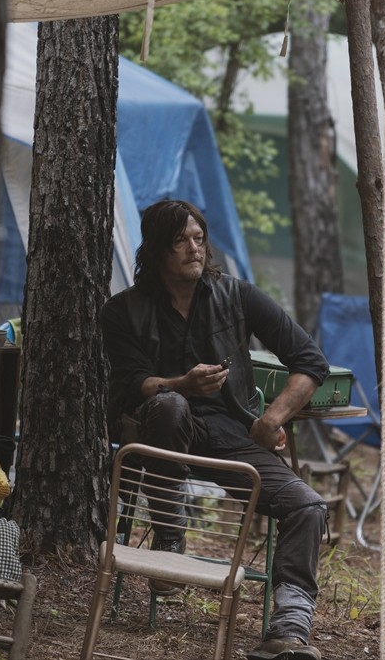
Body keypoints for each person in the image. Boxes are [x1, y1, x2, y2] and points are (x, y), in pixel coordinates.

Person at [100, 199, 329, 660]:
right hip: (158, 435)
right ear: (156, 249)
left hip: (231, 434)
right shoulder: (123, 310)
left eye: (199, 238)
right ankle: (169, 537)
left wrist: (271, 418)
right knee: (171, 405)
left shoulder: (237, 296)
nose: (194, 249)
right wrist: (181, 384)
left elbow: (310, 362)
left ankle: (289, 627)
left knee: (308, 507)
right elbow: (128, 384)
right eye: (180, 241)